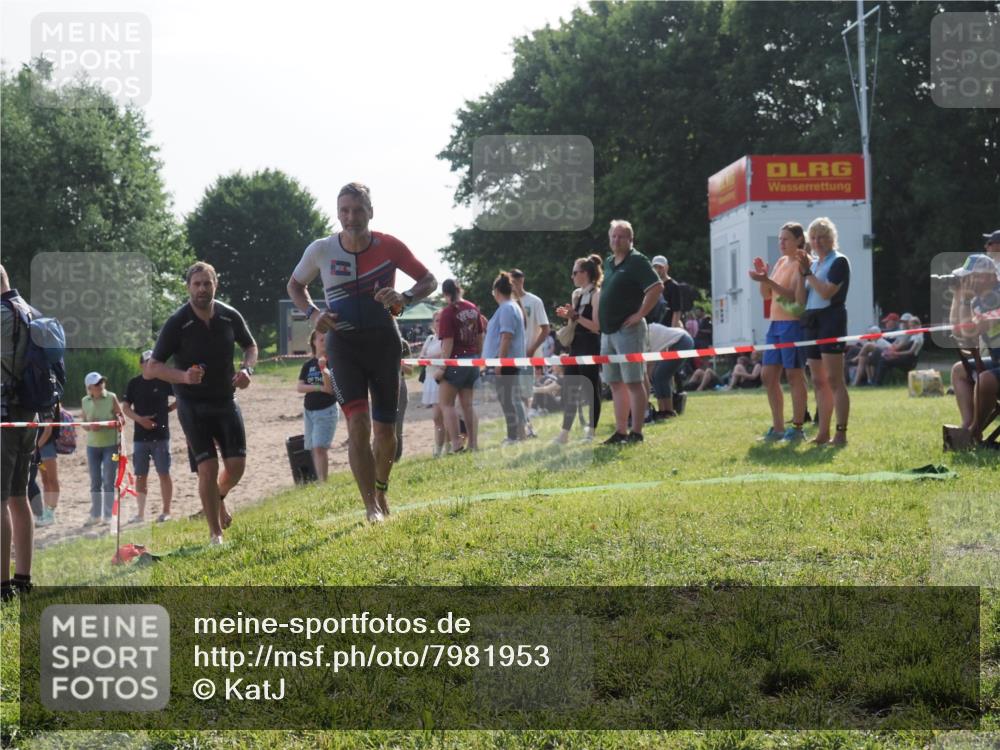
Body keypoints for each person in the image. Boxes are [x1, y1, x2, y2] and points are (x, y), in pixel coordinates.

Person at [286, 182, 436, 522]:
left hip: (383, 342)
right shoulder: (321, 250)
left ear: (370, 211)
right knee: (357, 424)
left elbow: (429, 280)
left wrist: (406, 299)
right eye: (344, 211)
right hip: (343, 347)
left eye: (357, 210)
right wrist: (313, 314)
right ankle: (370, 506)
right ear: (338, 213)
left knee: (385, 433)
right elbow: (295, 285)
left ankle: (381, 488)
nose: (350, 217)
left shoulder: (389, 246)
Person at [147, 261, 258, 545]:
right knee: (207, 469)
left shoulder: (229, 316)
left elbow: (250, 346)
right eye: (196, 284)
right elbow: (153, 367)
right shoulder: (177, 322)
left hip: (225, 399)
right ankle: (215, 534)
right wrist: (183, 376)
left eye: (207, 283)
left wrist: (247, 370)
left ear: (215, 285)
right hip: (192, 405)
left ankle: (216, 499)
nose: (201, 289)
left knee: (236, 467)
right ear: (188, 288)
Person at [598, 220, 664, 445]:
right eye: (613, 236)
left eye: (621, 237)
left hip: (629, 331)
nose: (616, 240)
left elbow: (656, 287)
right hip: (608, 332)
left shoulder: (637, 261)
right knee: (615, 383)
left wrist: (639, 314)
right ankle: (620, 431)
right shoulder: (608, 262)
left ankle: (637, 432)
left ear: (630, 239)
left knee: (634, 382)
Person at [748, 221, 809, 441]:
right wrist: (762, 276)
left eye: (786, 239)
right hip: (775, 323)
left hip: (792, 324)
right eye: (780, 239)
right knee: (768, 375)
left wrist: (768, 280)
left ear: (799, 241)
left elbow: (793, 295)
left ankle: (798, 427)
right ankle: (778, 428)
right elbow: (767, 294)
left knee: (794, 375)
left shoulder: (802, 262)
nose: (781, 243)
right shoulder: (782, 261)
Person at [1, 266, 40, 601]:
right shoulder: (31, 312)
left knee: (0, 501)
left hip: (4, 414)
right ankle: (23, 580)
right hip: (30, 415)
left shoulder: (1, 316)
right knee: (19, 497)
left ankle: (1, 588)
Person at [797, 217, 851, 446]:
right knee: (819, 381)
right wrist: (802, 272)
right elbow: (801, 300)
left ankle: (841, 433)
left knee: (834, 379)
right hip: (812, 321)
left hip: (831, 320)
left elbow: (827, 292)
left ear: (831, 239)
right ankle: (822, 433)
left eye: (822, 237)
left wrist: (809, 273)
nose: (817, 242)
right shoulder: (815, 264)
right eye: (814, 238)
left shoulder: (839, 262)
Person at [949, 254, 1000, 443]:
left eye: (970, 276)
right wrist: (958, 296)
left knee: (986, 379)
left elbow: (971, 333)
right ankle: (967, 424)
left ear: (986, 277)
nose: (966, 281)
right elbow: (958, 330)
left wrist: (963, 299)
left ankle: (974, 431)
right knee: (959, 371)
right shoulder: (979, 301)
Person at [553, 254, 603, 444]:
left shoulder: (597, 294)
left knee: (591, 389)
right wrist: (568, 316)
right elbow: (574, 323)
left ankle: (591, 432)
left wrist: (575, 316)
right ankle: (564, 433)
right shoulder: (577, 294)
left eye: (575, 272)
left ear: (585, 273)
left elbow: (596, 326)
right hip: (576, 345)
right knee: (569, 389)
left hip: (590, 345)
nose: (572, 276)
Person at [122, 351, 175, 523]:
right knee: (140, 475)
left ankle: (166, 511)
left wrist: (167, 410)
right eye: (148, 362)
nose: (152, 365)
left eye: (154, 362)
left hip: (161, 435)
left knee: (163, 473)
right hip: (140, 437)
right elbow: (126, 408)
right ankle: (140, 513)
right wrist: (140, 420)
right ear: (141, 365)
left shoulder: (164, 381)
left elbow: (181, 396)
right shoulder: (134, 383)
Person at [436, 279, 483, 454]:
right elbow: (480, 335)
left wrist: (442, 367)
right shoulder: (472, 308)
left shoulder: (448, 313)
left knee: (446, 404)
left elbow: (448, 342)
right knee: (467, 405)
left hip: (455, 360)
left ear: (445, 294)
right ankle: (473, 444)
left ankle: (456, 444)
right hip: (471, 360)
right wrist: (478, 356)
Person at [483, 272, 527, 443]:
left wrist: (500, 362)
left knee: (507, 399)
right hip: (507, 361)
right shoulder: (510, 306)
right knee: (507, 399)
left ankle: (513, 435)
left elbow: (506, 336)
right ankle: (515, 434)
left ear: (496, 291)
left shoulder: (507, 307)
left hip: (506, 361)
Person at [80, 372, 124, 526]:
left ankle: (108, 515)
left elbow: (121, 419)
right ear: (89, 388)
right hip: (92, 446)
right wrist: (90, 426)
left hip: (111, 445)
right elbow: (84, 423)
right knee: (95, 481)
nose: (100, 386)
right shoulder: (85, 401)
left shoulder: (111, 397)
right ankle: (95, 515)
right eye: (97, 384)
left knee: (109, 480)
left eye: (101, 383)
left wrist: (108, 423)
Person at [510, 269, 549, 438]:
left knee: (525, 394)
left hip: (528, 357)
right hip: (511, 357)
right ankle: (522, 429)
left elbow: (545, 328)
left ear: (522, 279)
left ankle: (526, 429)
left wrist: (532, 349)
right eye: (511, 281)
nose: (515, 284)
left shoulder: (534, 301)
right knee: (513, 394)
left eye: (517, 280)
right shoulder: (508, 303)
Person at [296, 329, 337, 481]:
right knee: (314, 448)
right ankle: (319, 480)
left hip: (326, 410)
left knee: (320, 447)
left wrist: (323, 368)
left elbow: (330, 389)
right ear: (313, 342)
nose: (324, 342)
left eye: (327, 339)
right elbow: (300, 387)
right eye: (321, 339)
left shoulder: (332, 361)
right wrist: (318, 388)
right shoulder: (307, 365)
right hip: (309, 412)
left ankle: (323, 482)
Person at [645, 322, 694, 419]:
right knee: (658, 377)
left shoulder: (648, 335)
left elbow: (651, 364)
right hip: (681, 340)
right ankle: (664, 410)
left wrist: (647, 380)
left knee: (660, 377)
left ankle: (668, 411)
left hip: (682, 341)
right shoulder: (649, 330)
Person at [419, 311, 447, 457]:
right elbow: (421, 356)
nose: (439, 323)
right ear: (432, 323)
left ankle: (443, 447)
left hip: (441, 379)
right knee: (437, 418)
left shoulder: (445, 339)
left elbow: (443, 355)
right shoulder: (430, 338)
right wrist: (427, 357)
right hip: (430, 379)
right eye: (436, 320)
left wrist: (428, 357)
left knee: (440, 415)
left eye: (441, 320)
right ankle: (439, 448)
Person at [873, 314, 924, 385]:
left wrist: (895, 353)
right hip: (904, 357)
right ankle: (875, 381)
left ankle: (877, 383)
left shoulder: (918, 338)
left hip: (909, 360)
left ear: (918, 326)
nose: (911, 328)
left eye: (913, 326)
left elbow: (910, 352)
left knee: (884, 361)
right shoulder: (914, 335)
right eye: (910, 326)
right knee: (882, 357)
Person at [32, 423, 59, 527]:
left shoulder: (46, 407)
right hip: (38, 450)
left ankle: (51, 512)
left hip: (47, 448)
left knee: (52, 479)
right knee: (45, 479)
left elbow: (48, 430)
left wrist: (36, 446)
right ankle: (46, 511)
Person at [650, 255, 684, 328]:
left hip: (667, 327)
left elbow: (677, 311)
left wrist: (673, 329)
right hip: (653, 327)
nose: (657, 270)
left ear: (666, 267)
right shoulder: (651, 285)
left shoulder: (674, 286)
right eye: (655, 267)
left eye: (660, 267)